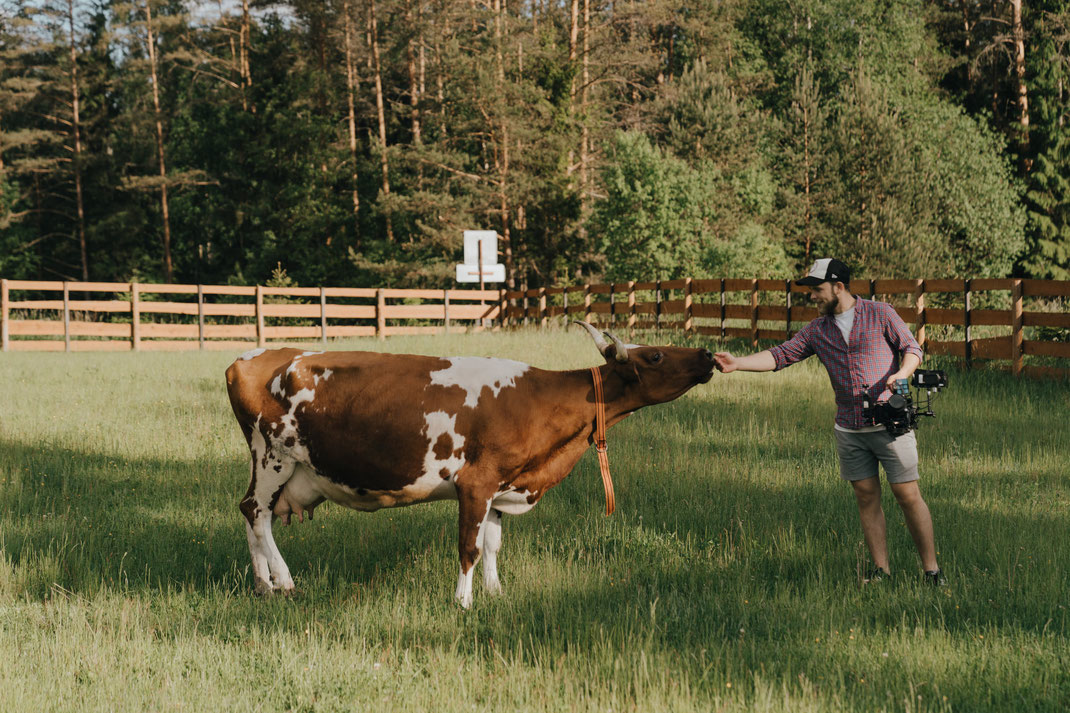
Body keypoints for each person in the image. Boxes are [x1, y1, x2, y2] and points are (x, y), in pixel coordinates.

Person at [713, 258, 945, 585]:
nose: (813, 297)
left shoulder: (881, 313)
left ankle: (931, 571)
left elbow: (912, 348)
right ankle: (881, 571)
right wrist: (738, 363)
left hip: (890, 424)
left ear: (838, 286)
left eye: (817, 290)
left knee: (907, 496)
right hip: (849, 429)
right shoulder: (817, 330)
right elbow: (781, 356)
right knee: (866, 497)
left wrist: (902, 373)